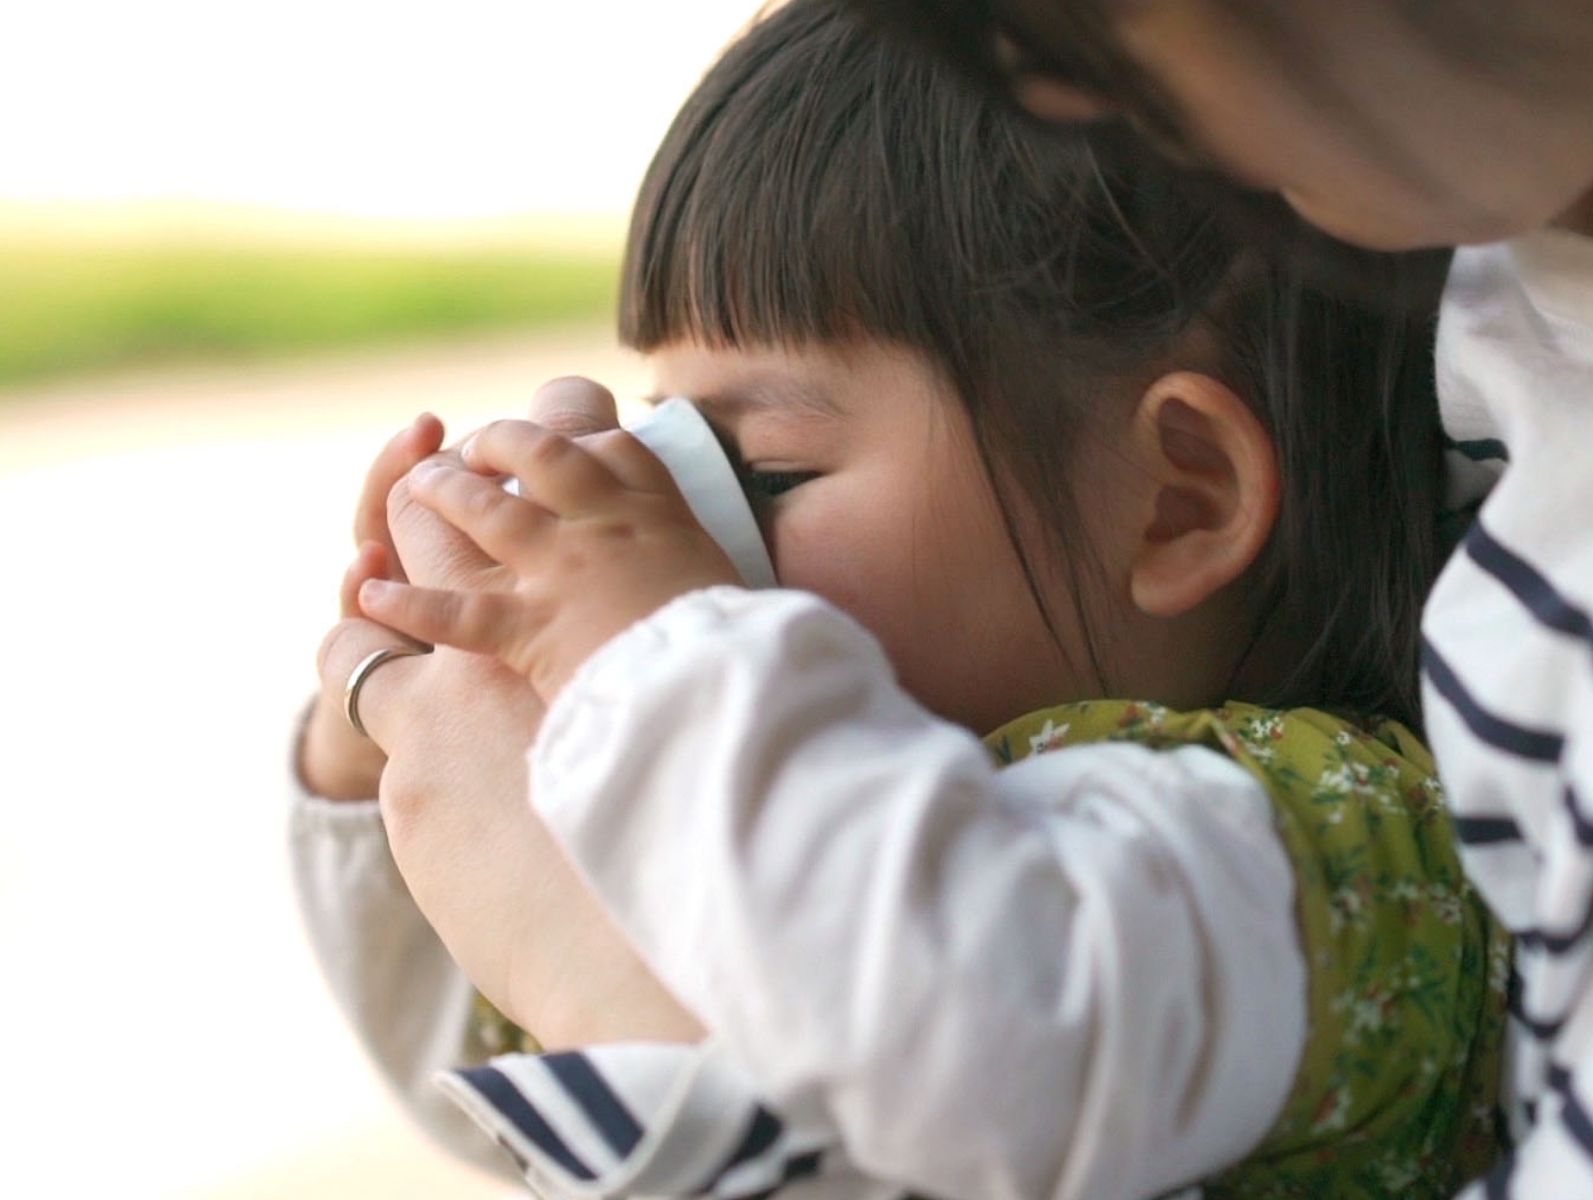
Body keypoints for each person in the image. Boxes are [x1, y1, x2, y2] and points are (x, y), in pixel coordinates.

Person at [295, 2, 1506, 1198]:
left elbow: (957, 1025)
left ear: (1175, 499)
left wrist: (644, 657)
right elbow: (535, 1100)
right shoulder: (807, 798)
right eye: (667, 438)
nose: (677, 532)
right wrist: (393, 738)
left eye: (761, 472)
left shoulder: (1326, 842)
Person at [825, 1, 1593, 1196]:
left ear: (1183, 498)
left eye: (1078, 23)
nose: (1048, 95)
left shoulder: (1277, 850)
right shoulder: (1494, 242)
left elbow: (948, 1045)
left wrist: (636, 734)